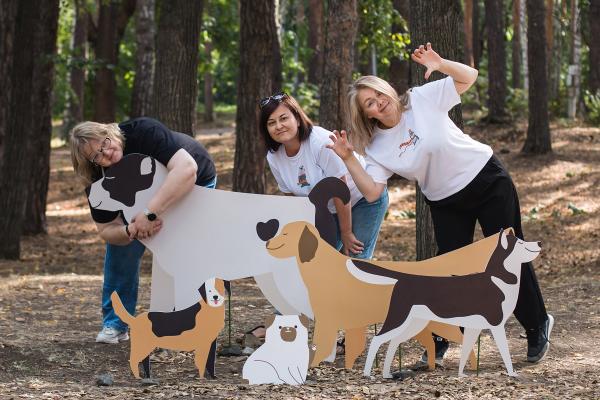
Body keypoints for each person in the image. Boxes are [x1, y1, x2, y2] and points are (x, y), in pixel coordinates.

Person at [327, 43, 554, 365]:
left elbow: (469, 76)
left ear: (388, 90)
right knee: (450, 272)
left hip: (486, 180)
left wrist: (440, 63)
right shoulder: (376, 147)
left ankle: (536, 324)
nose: (379, 102)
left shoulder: (421, 98)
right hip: (445, 202)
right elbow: (373, 192)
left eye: (379, 94)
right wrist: (349, 158)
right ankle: (442, 339)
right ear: (367, 114)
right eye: (370, 103)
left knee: (508, 256)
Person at [70, 117, 216, 344]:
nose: (106, 153)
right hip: (140, 204)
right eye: (97, 156)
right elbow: (106, 229)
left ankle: (194, 320)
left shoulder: (143, 131)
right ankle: (116, 324)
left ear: (109, 131)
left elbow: (187, 169)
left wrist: (150, 213)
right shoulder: (97, 177)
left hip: (193, 183)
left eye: (105, 143)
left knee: (183, 252)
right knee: (120, 253)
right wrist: (130, 230)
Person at [259, 92, 389, 260]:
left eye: (283, 118)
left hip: (363, 198)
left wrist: (346, 232)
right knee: (318, 259)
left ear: (297, 119)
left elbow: (340, 189)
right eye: (271, 123)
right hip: (328, 209)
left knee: (355, 259)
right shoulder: (273, 156)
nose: (278, 126)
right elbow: (291, 197)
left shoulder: (320, 142)